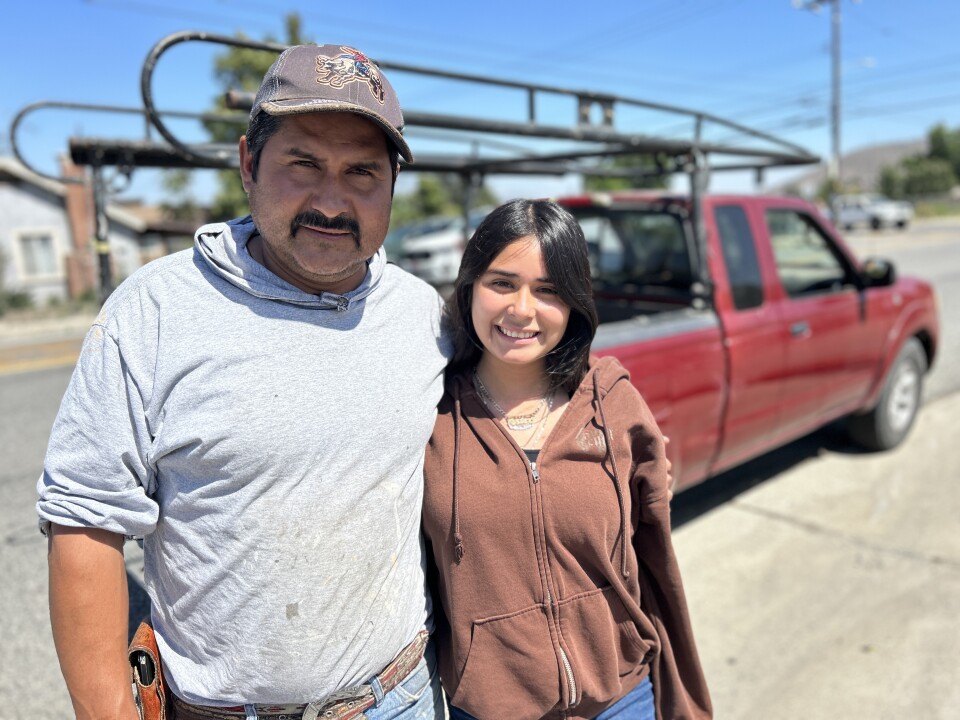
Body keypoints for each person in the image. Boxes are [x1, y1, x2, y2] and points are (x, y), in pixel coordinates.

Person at [38, 44, 449, 720]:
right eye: (304, 164)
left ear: (393, 185)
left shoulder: (419, 315)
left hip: (400, 696)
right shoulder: (155, 313)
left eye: (362, 173)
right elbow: (84, 521)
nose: (332, 200)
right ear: (248, 163)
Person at [421, 199, 712, 720]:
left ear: (575, 302)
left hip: (621, 698)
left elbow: (653, 546)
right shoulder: (430, 415)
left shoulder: (611, 399)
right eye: (502, 283)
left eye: (548, 290)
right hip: (489, 708)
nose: (522, 309)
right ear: (470, 288)